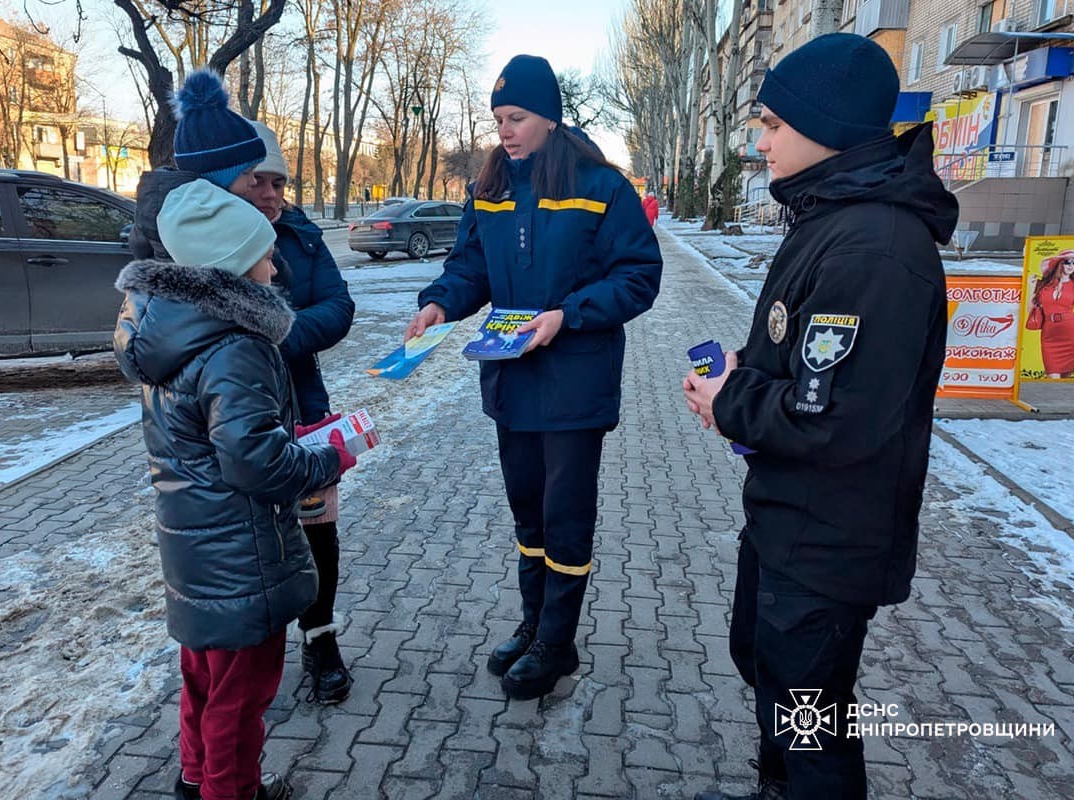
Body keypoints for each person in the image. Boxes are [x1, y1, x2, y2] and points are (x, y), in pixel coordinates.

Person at [681, 33, 957, 800]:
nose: (760, 141)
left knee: (811, 720)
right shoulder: (830, 217)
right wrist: (738, 379)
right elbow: (801, 361)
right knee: (766, 668)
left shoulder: (875, 246)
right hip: (788, 517)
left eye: (772, 124)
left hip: (829, 539)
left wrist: (730, 400)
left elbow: (833, 417)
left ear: (825, 126)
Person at [405, 54, 662, 701]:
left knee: (565, 517)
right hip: (511, 384)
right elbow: (470, 268)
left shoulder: (601, 186)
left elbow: (639, 275)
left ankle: (557, 640)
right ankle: (533, 625)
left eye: (515, 117)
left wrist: (567, 315)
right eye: (497, 119)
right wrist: (439, 302)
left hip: (574, 385)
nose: (505, 130)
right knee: (528, 515)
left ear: (549, 116)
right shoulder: (489, 189)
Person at [115, 179, 359, 800]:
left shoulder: (170, 333)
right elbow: (253, 460)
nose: (275, 264)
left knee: (204, 679)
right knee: (241, 698)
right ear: (231, 265)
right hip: (241, 554)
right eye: (266, 253)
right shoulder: (236, 347)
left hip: (195, 551)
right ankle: (231, 789)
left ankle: (196, 779)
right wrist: (323, 460)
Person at [242, 120, 358, 703]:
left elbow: (339, 306)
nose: (270, 194)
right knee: (248, 535)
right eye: (258, 181)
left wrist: (278, 335)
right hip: (237, 414)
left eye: (279, 183)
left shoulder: (303, 236)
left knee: (317, 530)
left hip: (304, 405)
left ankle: (320, 640)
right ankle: (251, 649)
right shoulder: (209, 241)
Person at [130, 68, 266, 261]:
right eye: (246, 172)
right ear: (217, 175)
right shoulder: (226, 222)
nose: (253, 181)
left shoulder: (153, 209)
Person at [1030, 249, 1074, 378]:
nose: (1071, 265)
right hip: (1049, 335)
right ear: (1059, 264)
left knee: (1065, 379)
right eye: (1067, 262)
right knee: (1052, 376)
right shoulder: (1044, 284)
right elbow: (1031, 309)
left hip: (1071, 334)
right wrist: (1031, 288)